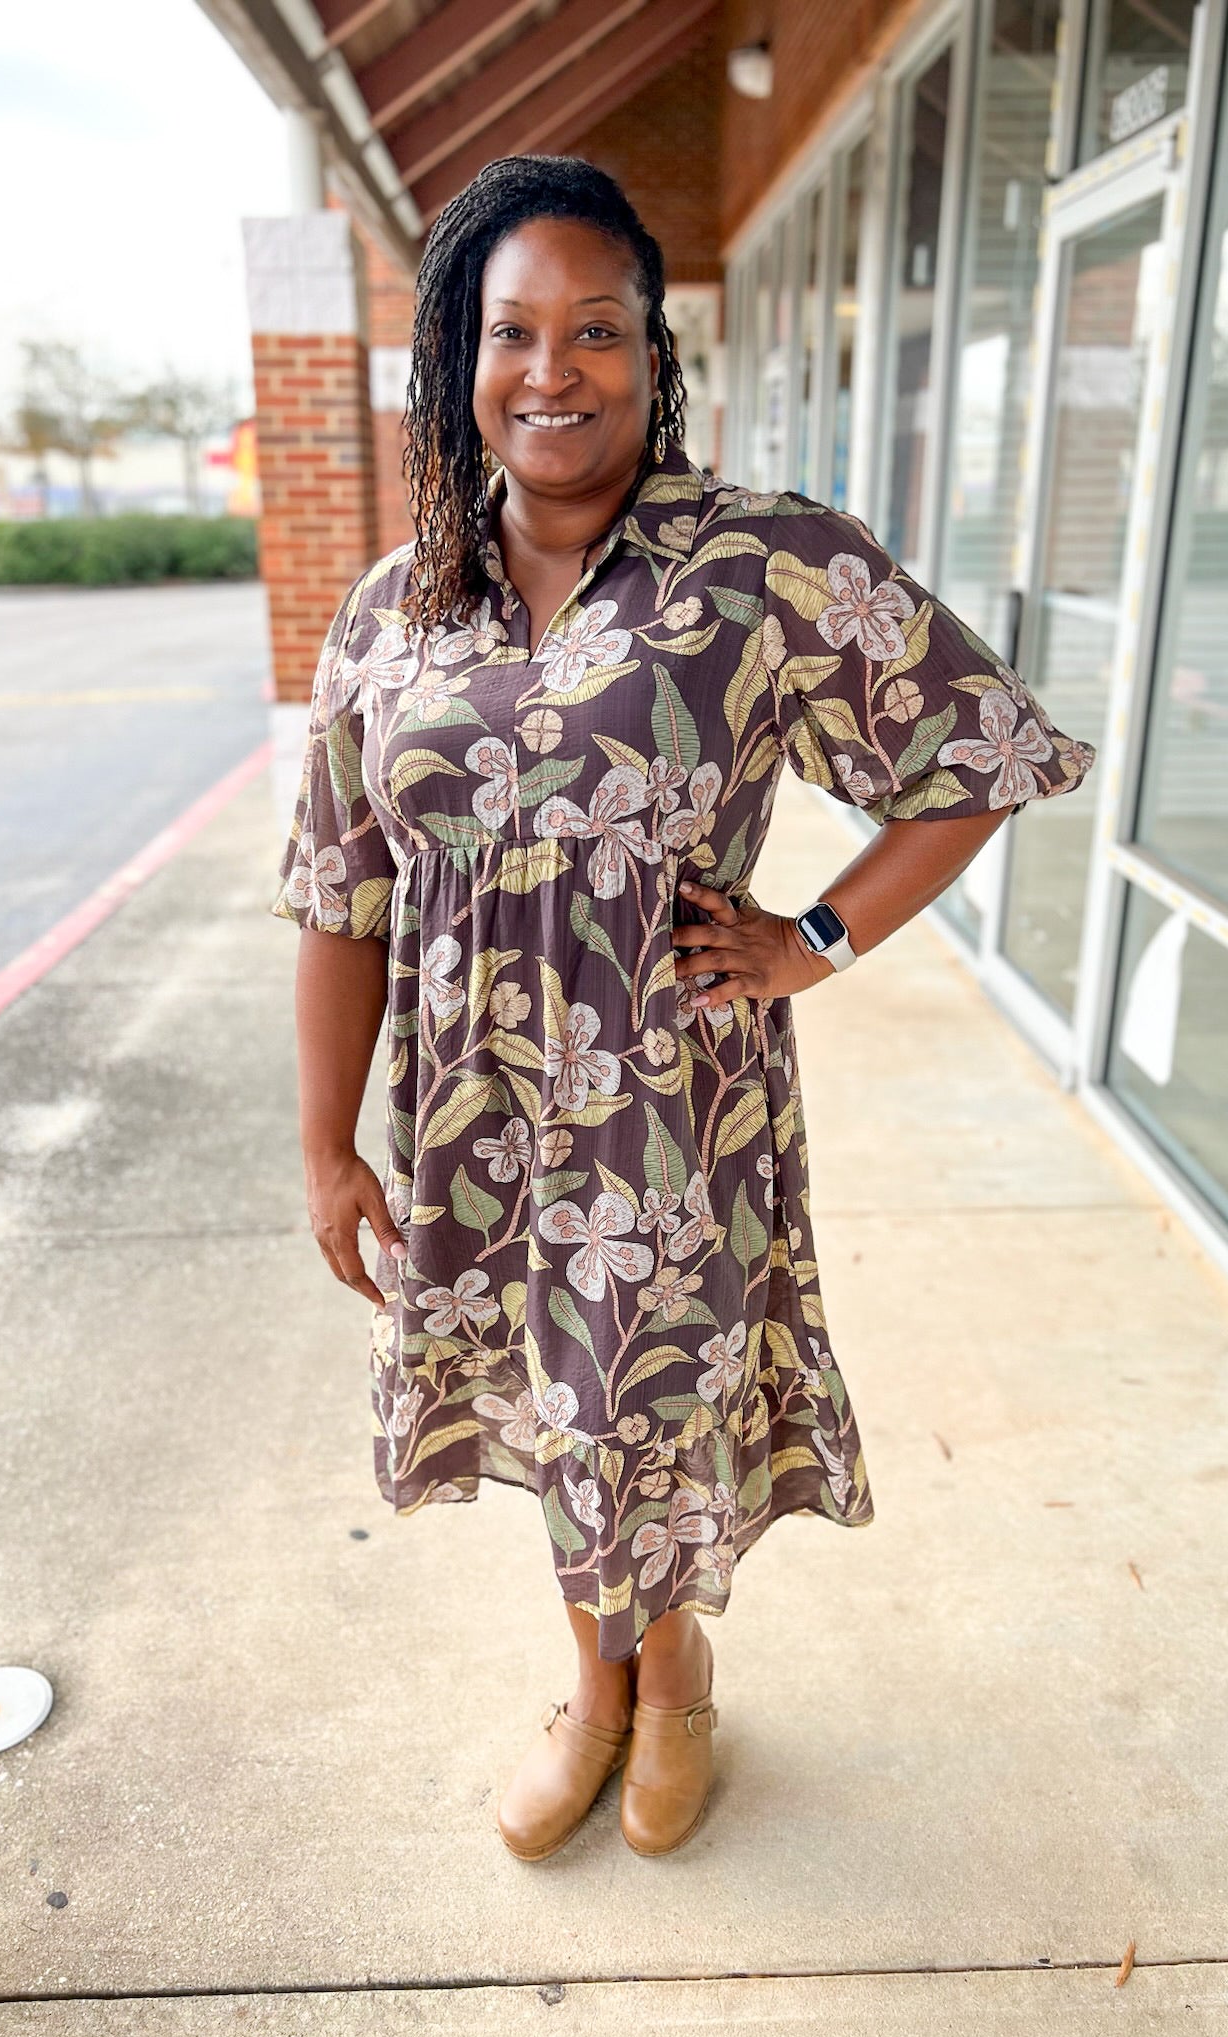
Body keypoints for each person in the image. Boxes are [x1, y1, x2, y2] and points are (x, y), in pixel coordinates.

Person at [271, 154, 1095, 1861]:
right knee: (537, 1400)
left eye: (598, 329)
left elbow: (979, 755)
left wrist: (813, 937)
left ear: (657, 355)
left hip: (665, 1111)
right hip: (471, 1123)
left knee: (631, 1408)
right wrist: (326, 1146)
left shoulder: (762, 565)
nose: (553, 369)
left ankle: (668, 1679)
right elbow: (343, 892)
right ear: (459, 356)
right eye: (513, 332)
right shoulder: (389, 606)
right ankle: (608, 1679)